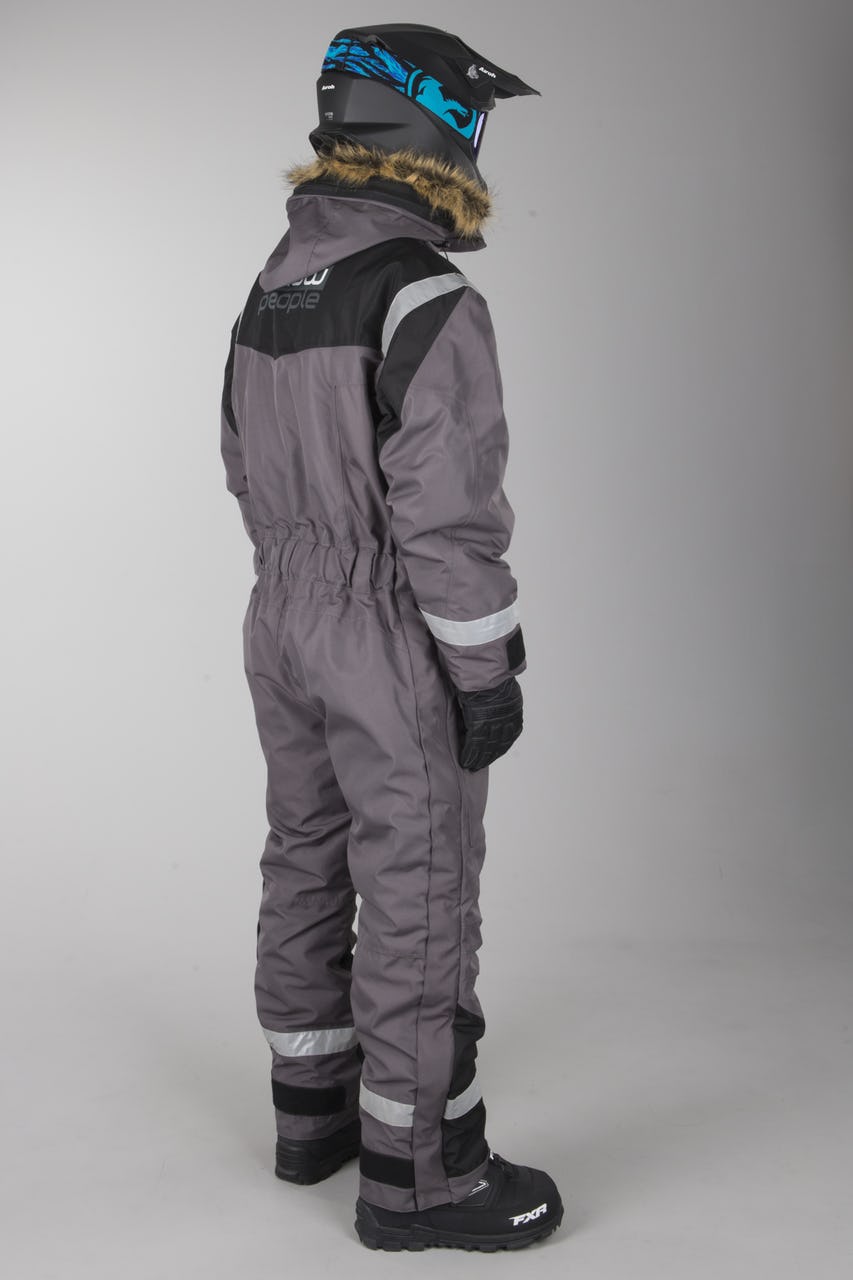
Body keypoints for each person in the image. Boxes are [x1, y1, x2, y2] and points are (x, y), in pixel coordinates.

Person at [220, 22, 563, 1252]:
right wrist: (483, 669)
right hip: (383, 630)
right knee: (416, 885)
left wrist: (304, 575)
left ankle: (311, 1116)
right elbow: (446, 514)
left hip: (282, 613)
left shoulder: (277, 279)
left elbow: (239, 459)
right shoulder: (423, 290)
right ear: (437, 124)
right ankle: (421, 1178)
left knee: (307, 852)